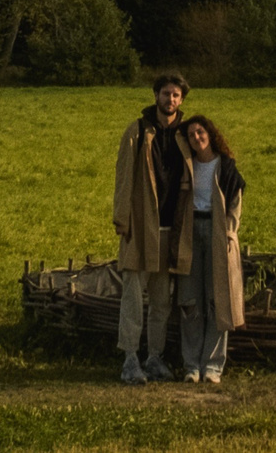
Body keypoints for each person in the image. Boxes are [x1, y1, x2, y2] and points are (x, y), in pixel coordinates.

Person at [111, 72, 194, 383]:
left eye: (175, 95)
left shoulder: (185, 135)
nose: (169, 100)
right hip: (140, 227)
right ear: (156, 96)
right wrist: (122, 219)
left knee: (161, 298)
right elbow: (123, 179)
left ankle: (155, 357)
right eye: (165, 94)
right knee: (133, 295)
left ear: (181, 100)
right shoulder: (136, 131)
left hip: (171, 230)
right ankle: (130, 358)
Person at [173, 113, 246, 384]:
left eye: (200, 132)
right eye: (191, 135)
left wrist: (230, 231)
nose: (197, 138)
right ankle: (191, 366)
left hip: (217, 234)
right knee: (190, 301)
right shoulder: (186, 165)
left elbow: (236, 201)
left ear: (210, 134)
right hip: (190, 234)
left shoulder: (225, 166)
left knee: (217, 300)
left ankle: (213, 367)